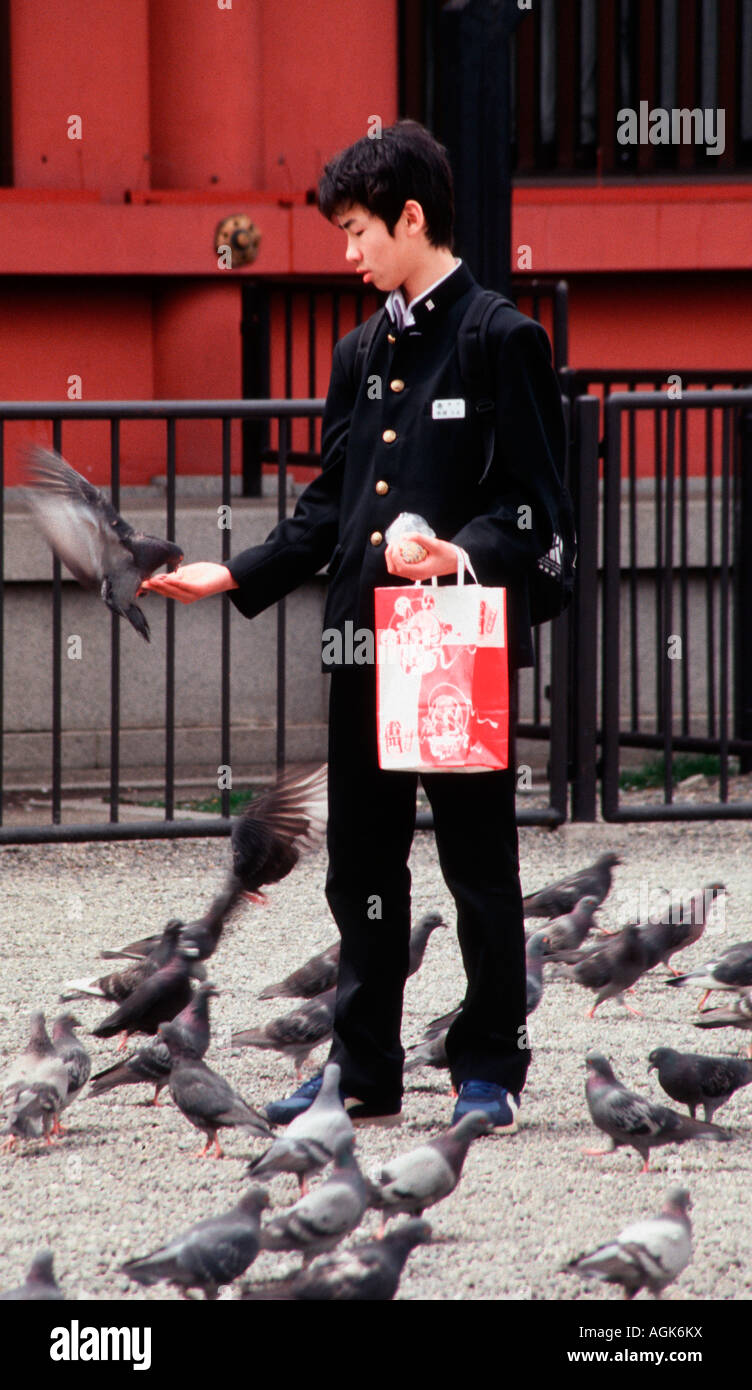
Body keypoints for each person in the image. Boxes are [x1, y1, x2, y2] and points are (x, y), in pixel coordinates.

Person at [145, 120, 566, 1131]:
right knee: (359, 870)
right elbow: (329, 507)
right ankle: (363, 1067)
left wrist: (456, 551)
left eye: (356, 232)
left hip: (451, 640)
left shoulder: (500, 337)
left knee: (476, 865)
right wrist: (232, 572)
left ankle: (487, 1067)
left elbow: (535, 515)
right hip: (361, 643)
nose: (347, 254)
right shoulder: (358, 348)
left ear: (409, 216)